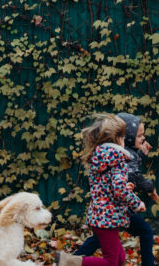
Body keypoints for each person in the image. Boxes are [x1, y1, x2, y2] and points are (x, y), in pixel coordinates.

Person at [56, 113, 146, 266]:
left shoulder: (99, 157)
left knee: (119, 258)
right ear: (117, 139)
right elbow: (118, 189)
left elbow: (107, 185)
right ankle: (69, 261)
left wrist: (126, 186)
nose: (124, 141)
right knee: (111, 262)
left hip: (99, 215)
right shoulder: (118, 159)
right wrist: (136, 203)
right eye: (123, 138)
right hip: (108, 218)